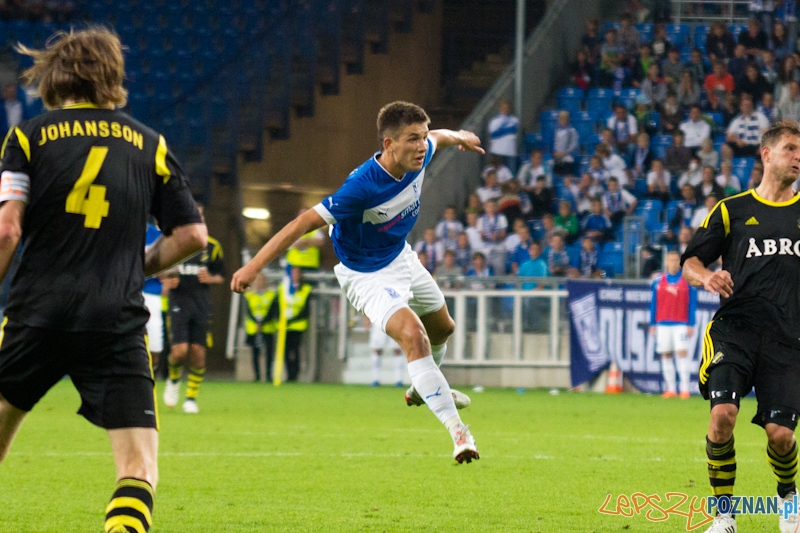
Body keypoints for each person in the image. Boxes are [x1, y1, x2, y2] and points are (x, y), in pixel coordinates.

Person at [0, 27, 207, 533]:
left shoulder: (27, 136)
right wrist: (138, 266)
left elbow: (7, 230)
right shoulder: (149, 144)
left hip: (35, 313)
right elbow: (193, 236)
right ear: (113, 76)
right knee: (137, 469)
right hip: (114, 318)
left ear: (53, 76)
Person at [231, 101, 481, 463]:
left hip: (400, 255)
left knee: (443, 328)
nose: (422, 145)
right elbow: (300, 225)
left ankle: (422, 386)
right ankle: (460, 434)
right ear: (389, 143)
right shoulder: (361, 188)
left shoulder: (422, 153)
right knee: (414, 335)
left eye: (423, 137)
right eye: (413, 139)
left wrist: (461, 137)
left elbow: (440, 138)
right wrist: (253, 267)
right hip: (366, 274)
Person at [682, 121, 800, 533]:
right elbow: (690, 262)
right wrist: (706, 277)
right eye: (790, 148)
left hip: (788, 339)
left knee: (781, 435)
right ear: (767, 155)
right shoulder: (731, 210)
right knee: (722, 416)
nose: (798, 156)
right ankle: (724, 515)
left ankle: (788, 500)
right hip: (735, 330)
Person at [162, 205, 225, 414]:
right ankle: (173, 379)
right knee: (179, 351)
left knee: (198, 352)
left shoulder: (212, 246)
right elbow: (157, 266)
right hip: (179, 301)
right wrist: (167, 280)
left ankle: (191, 398)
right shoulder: (174, 242)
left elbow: (221, 275)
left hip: (201, 303)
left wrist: (212, 278)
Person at [649, 251, 697, 400]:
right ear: (666, 262)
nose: (674, 263)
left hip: (681, 323)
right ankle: (670, 389)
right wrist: (652, 323)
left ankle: (684, 389)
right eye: (671, 260)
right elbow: (653, 304)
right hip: (662, 323)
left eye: (676, 260)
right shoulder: (658, 282)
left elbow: (692, 304)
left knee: (682, 353)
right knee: (666, 354)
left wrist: (691, 323)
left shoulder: (687, 282)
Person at [278, 266, 311, 382]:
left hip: (298, 326)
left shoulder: (305, 289)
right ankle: (288, 374)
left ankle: (295, 374)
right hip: (285, 326)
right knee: (286, 351)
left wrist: (293, 319)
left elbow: (306, 310)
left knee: (295, 350)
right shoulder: (284, 288)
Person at [243, 273, 276, 383]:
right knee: (255, 352)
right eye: (258, 281)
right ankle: (256, 376)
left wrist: (262, 323)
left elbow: (272, 311)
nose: (260, 283)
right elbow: (249, 311)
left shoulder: (270, 295)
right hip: (253, 329)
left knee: (269, 352)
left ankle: (268, 375)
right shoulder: (250, 295)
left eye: (262, 280)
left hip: (267, 328)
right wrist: (257, 323)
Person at [369, 319, 405, 388]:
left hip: (395, 320)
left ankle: (399, 380)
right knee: (377, 350)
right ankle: (375, 379)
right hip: (378, 321)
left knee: (397, 350)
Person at [486, 100, 519, 170]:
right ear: (500, 108)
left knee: (510, 177)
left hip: (510, 153)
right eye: (503, 108)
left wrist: (500, 131)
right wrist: (505, 130)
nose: (505, 110)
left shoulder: (514, 120)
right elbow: (493, 135)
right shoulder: (494, 121)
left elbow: (513, 130)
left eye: (507, 108)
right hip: (497, 152)